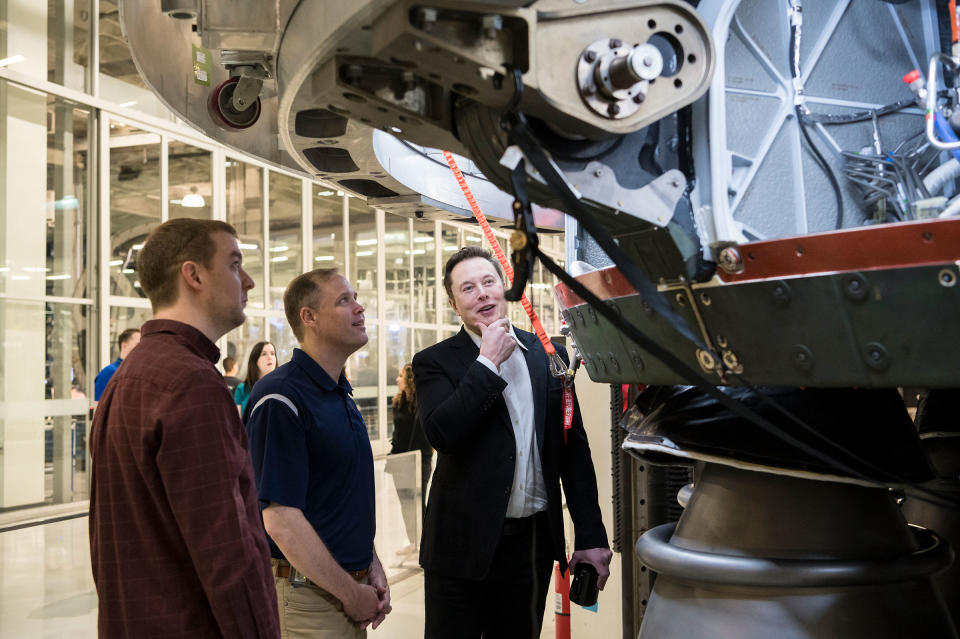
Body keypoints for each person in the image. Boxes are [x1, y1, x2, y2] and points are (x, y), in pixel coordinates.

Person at [88, 218, 280, 639]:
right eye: (233, 264)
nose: (247, 281)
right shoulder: (191, 384)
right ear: (192, 275)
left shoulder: (131, 374)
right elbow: (228, 553)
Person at [412, 246, 612, 639]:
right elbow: (443, 434)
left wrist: (590, 535)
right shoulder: (434, 362)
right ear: (454, 304)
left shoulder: (545, 354)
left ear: (504, 289)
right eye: (467, 288)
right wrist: (487, 363)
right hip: (460, 551)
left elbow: (573, 451)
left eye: (489, 282)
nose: (482, 294)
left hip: (531, 548)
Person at [244, 268, 390, 638]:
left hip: (343, 590)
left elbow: (338, 496)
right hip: (309, 599)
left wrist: (369, 564)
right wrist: (348, 592)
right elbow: (280, 519)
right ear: (308, 317)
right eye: (344, 300)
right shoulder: (281, 397)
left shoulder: (339, 392)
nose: (359, 308)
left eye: (356, 297)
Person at [386, 363, 433, 555]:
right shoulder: (397, 402)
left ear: (410, 380)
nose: (397, 379)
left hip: (419, 459)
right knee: (405, 502)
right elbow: (398, 434)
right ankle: (413, 542)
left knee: (417, 500)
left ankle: (426, 543)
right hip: (400, 460)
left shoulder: (423, 403)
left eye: (400, 376)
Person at [92, 327, 140, 406]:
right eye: (138, 345)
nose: (142, 349)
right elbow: (99, 410)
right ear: (124, 345)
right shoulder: (109, 372)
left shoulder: (137, 373)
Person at [235, 341, 277, 412]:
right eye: (264, 354)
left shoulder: (283, 387)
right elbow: (237, 420)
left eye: (273, 354)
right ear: (255, 360)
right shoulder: (242, 389)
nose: (270, 357)